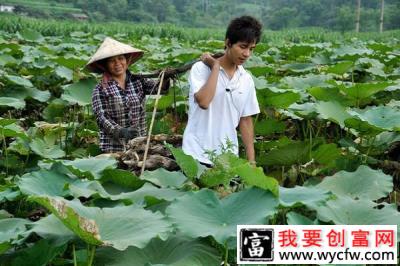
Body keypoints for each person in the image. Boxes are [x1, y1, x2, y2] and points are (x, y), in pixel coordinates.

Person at [182, 16, 262, 166]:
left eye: (251, 49)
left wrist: (251, 161)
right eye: (243, 47)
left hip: (227, 158)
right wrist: (216, 68)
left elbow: (245, 120)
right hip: (195, 154)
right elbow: (204, 102)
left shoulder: (246, 79)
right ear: (228, 43)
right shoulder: (200, 69)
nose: (247, 54)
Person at [88, 37, 169, 153]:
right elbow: (102, 117)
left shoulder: (138, 81)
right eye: (111, 61)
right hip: (114, 148)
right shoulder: (100, 89)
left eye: (121, 58)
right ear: (105, 65)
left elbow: (160, 88)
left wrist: (165, 77)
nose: (117, 64)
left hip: (139, 144)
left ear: (127, 60)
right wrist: (121, 131)